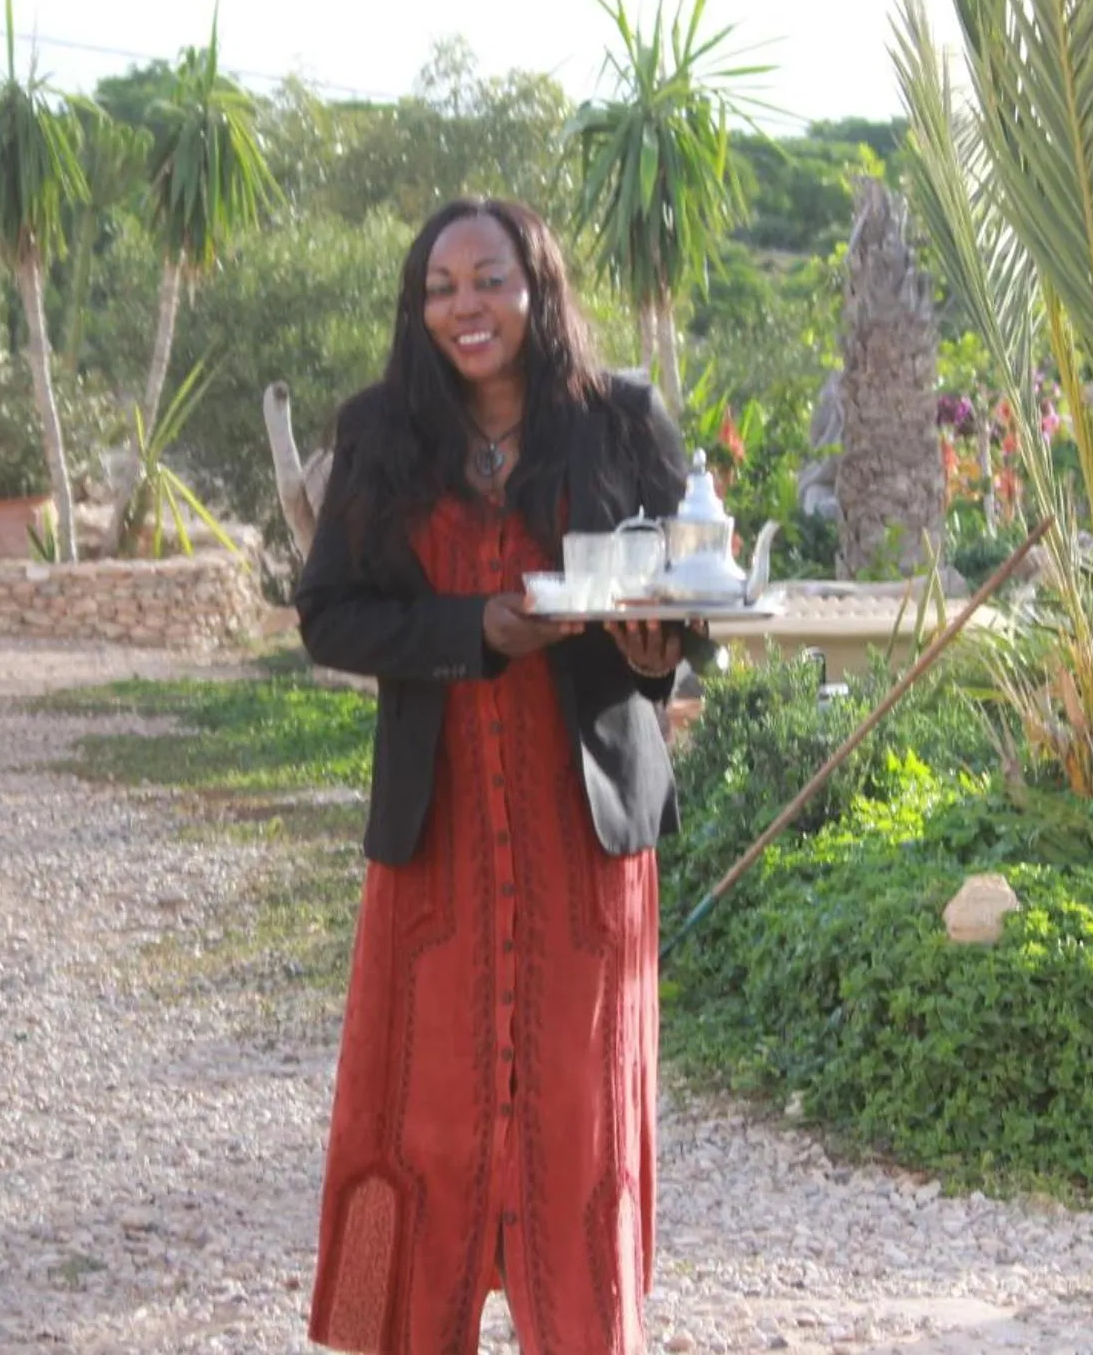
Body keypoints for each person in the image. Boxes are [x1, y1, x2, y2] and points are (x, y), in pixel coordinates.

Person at [294, 197, 697, 1354]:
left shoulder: (618, 423)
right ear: (419, 308)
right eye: (440, 286)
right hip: (441, 840)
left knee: (577, 1118)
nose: (464, 306)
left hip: (585, 843)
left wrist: (661, 651)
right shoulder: (380, 434)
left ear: (538, 287)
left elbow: (685, 589)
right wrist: (473, 627)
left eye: (489, 280)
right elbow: (330, 617)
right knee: (428, 1117)